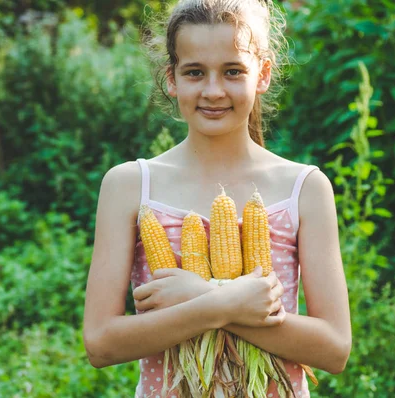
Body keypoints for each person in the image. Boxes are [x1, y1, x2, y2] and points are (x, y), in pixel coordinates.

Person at [82, 0, 351, 397]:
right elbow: (101, 342)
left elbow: (334, 349)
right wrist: (222, 303)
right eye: (194, 72)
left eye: (232, 71)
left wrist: (200, 297)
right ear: (171, 78)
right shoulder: (130, 186)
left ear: (263, 73)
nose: (213, 91)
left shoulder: (305, 188)